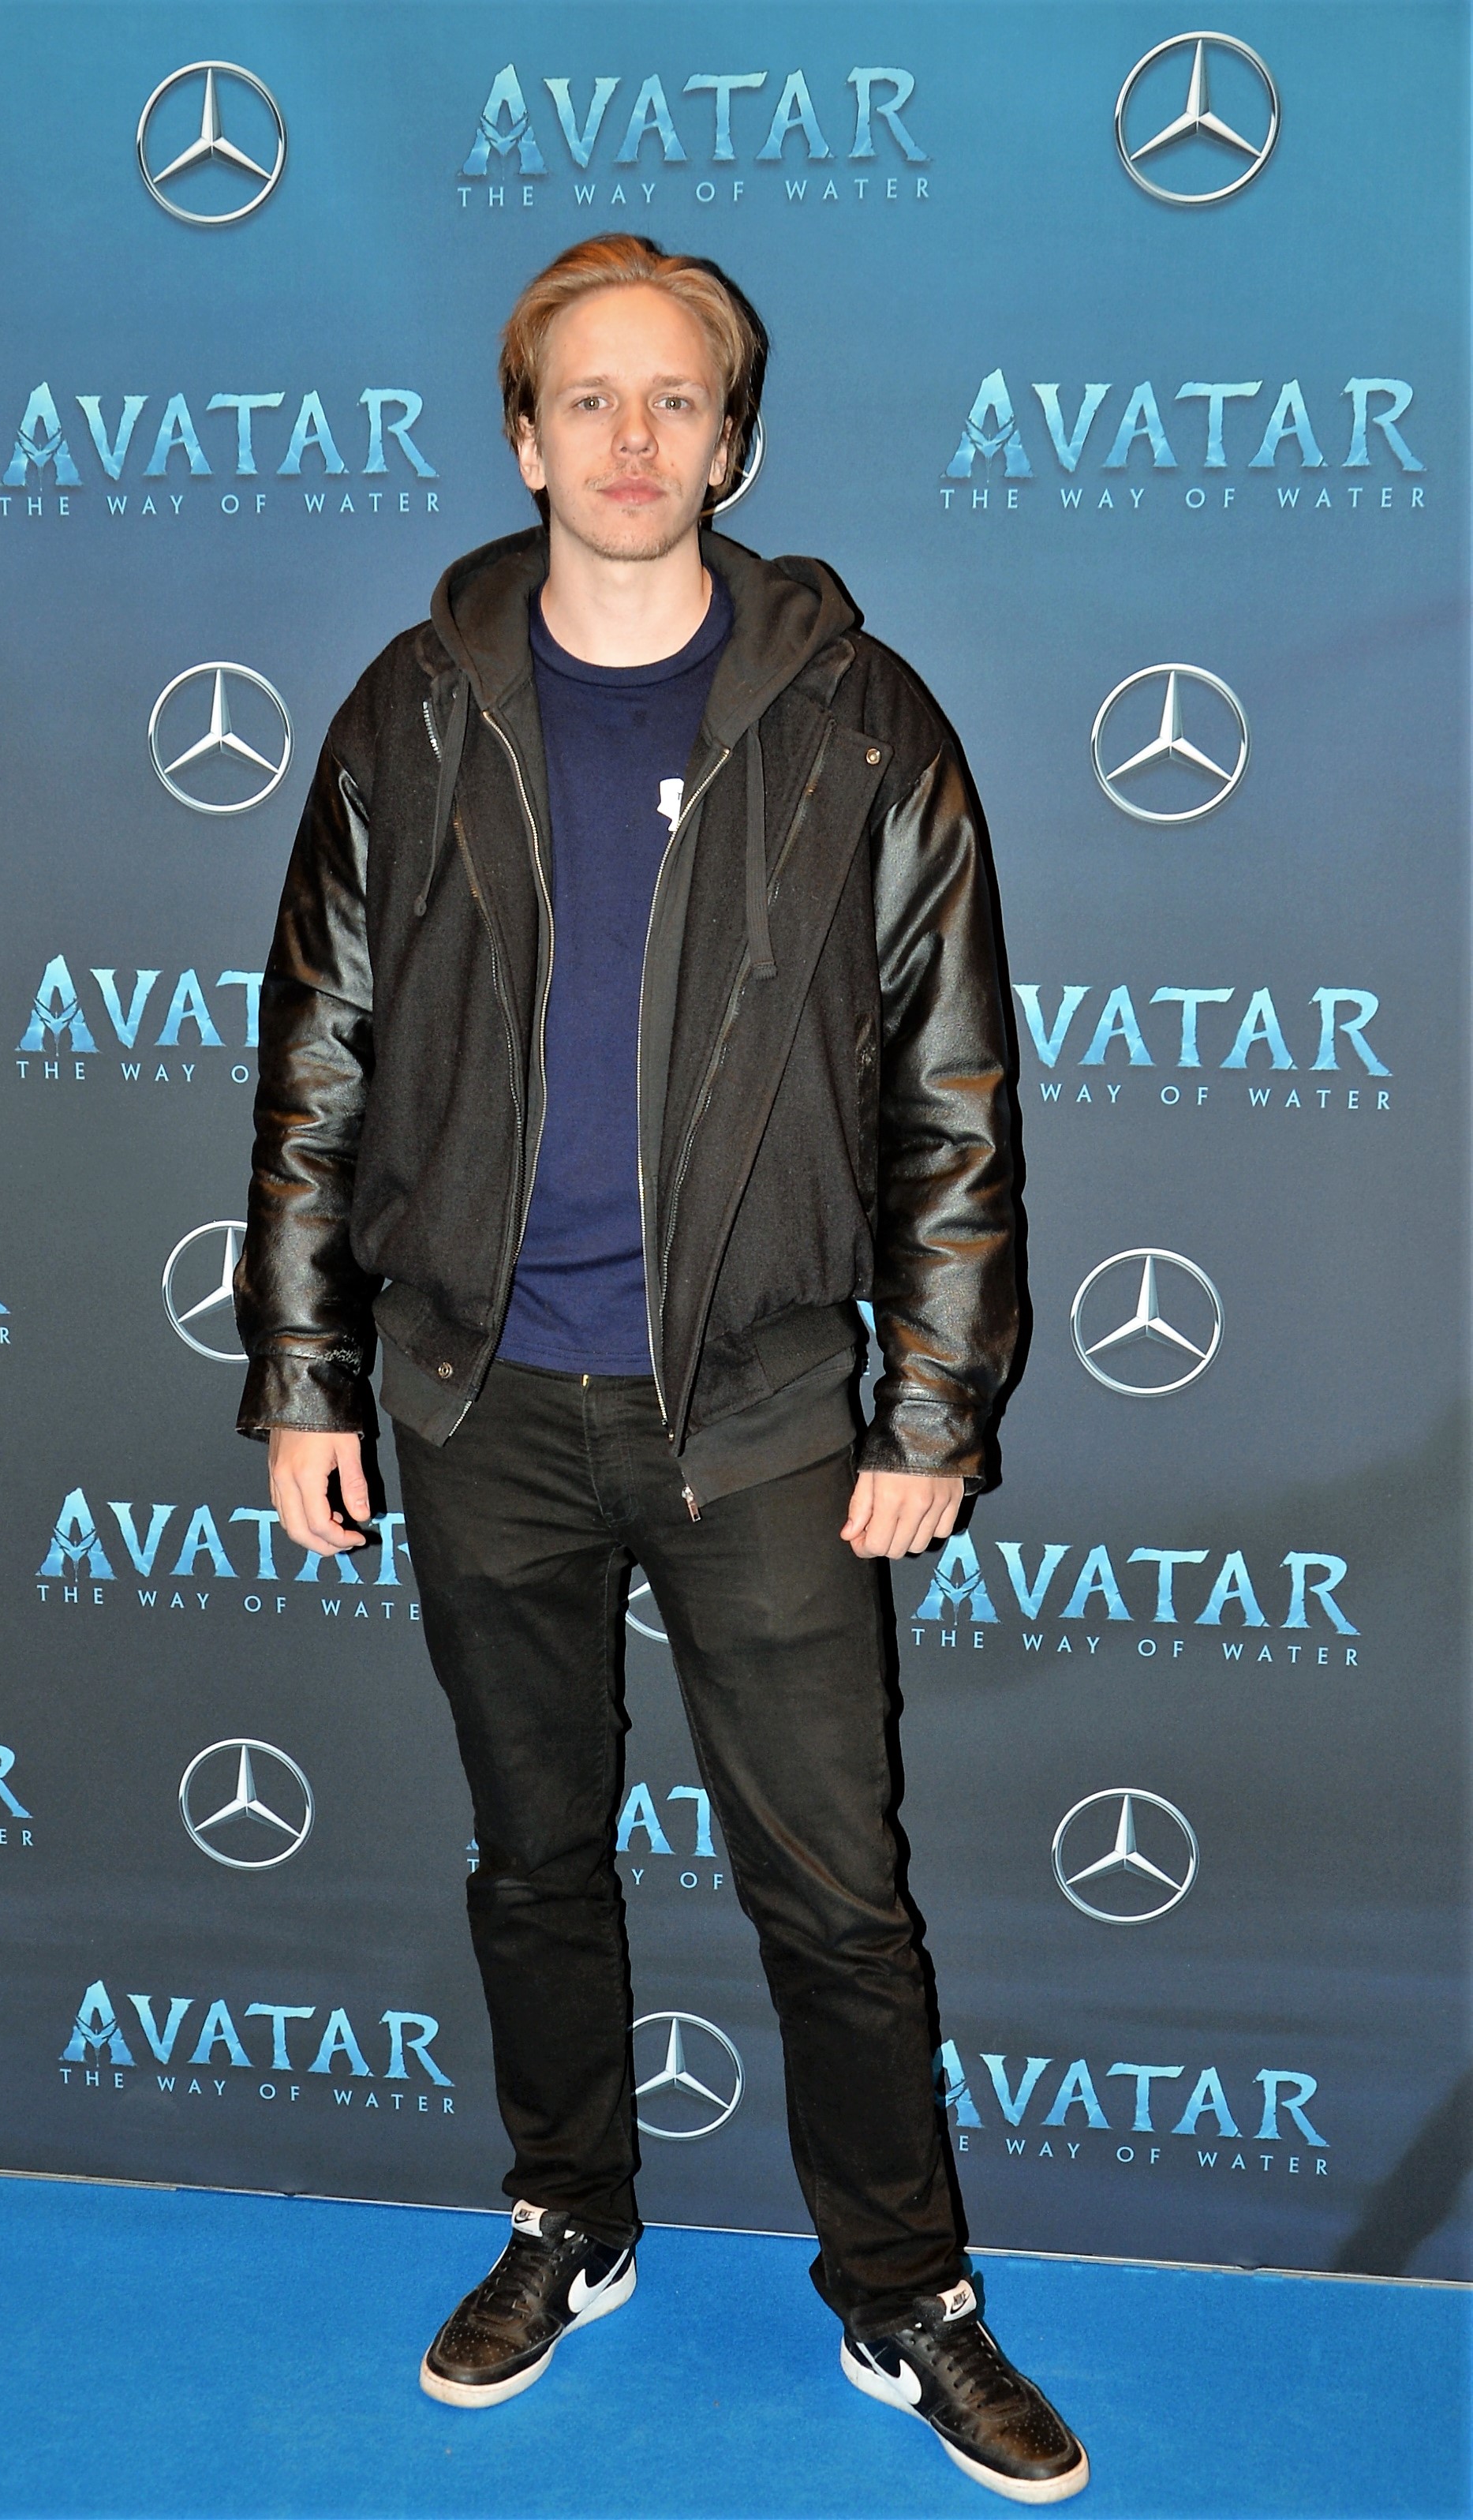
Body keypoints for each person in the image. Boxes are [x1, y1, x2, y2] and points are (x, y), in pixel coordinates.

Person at [234, 234, 1087, 2505]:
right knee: (534, 1859)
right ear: (522, 440)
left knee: (837, 1897)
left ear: (736, 439)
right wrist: (308, 1370)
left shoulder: (862, 719)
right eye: (588, 399)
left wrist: (930, 1406)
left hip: (770, 1415)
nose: (632, 439)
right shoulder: (410, 712)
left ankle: (906, 2294)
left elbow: (953, 1093)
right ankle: (568, 2220)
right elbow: (319, 1054)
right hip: (477, 1401)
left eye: (675, 398)